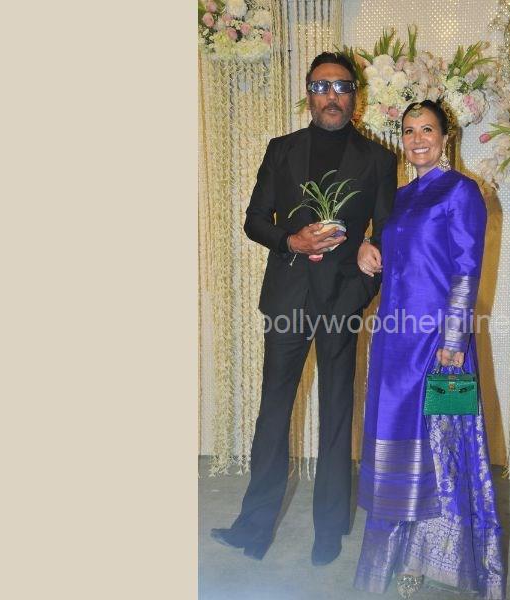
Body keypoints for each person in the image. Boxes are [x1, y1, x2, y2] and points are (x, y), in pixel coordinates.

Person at [211, 52, 397, 566]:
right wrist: (291, 240)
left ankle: (329, 530)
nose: (331, 96)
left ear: (355, 96)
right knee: (273, 413)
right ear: (308, 94)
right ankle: (253, 528)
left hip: (342, 300)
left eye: (341, 86)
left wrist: (361, 288)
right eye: (321, 86)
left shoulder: (379, 160)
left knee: (336, 415)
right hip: (288, 298)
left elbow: (387, 236)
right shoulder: (282, 150)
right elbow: (254, 220)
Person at [354, 100, 506, 599]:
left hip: (437, 344)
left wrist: (454, 339)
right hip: (392, 340)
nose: (417, 139)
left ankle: (427, 558)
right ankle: (394, 557)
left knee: (439, 448)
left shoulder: (461, 191)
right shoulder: (396, 197)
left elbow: (466, 268)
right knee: (395, 444)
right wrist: (365, 247)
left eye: (427, 130)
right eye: (409, 131)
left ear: (446, 137)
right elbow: (384, 250)